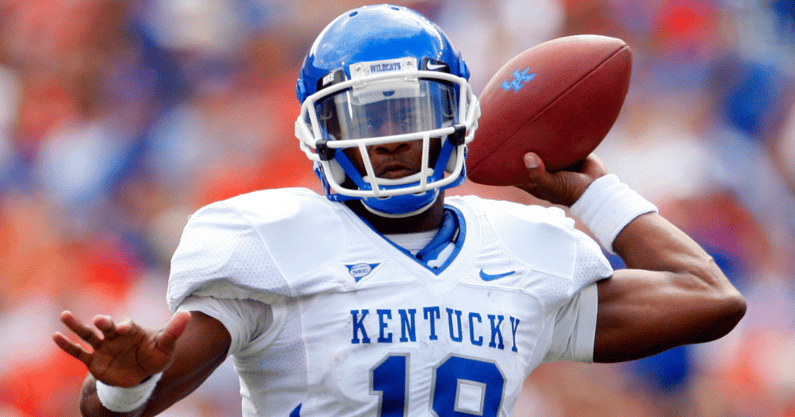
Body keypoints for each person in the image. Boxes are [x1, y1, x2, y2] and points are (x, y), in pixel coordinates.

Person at [52, 4, 746, 416]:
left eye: (415, 111)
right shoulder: (266, 241)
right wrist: (122, 383)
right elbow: (124, 408)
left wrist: (588, 187)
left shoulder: (527, 247)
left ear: (458, 119)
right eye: (369, 117)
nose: (394, 138)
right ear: (319, 130)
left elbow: (710, 299)